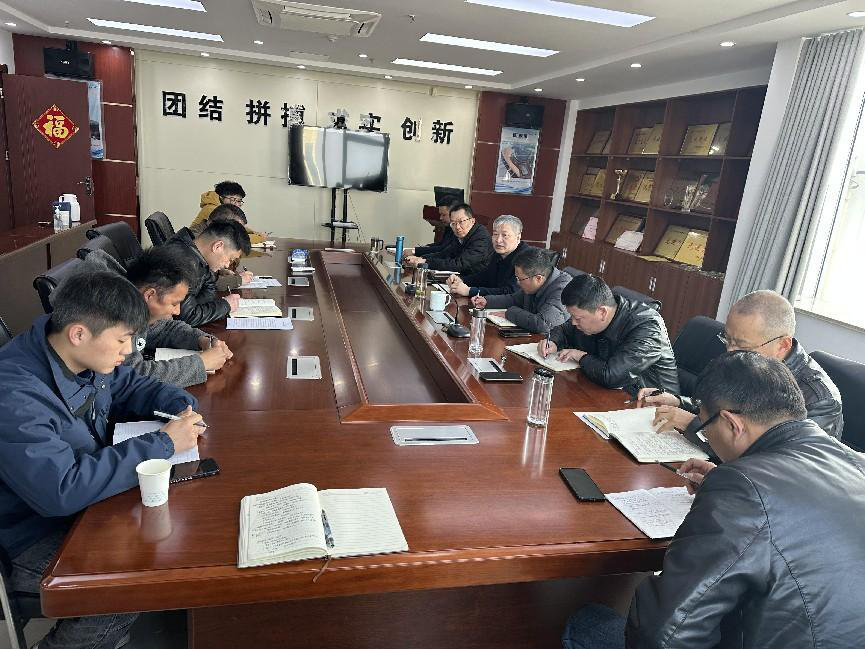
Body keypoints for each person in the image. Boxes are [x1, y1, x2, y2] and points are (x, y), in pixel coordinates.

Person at [562, 351, 865, 648]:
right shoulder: (855, 461)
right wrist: (727, 482)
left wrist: (732, 485)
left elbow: (664, 634)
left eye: (706, 431)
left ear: (733, 424)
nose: (707, 439)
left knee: (588, 622)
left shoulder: (742, 487)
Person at [0, 272, 205, 649]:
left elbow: (130, 385)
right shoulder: (16, 395)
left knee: (171, 532)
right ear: (79, 333)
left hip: (83, 506)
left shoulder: (78, 354)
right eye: (122, 340)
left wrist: (179, 405)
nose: (128, 351)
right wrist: (162, 443)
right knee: (130, 578)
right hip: (27, 535)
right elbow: (60, 490)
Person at [639, 289, 843, 439]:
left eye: (742, 346)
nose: (730, 351)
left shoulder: (819, 401)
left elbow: (781, 463)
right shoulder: (745, 358)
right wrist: (678, 402)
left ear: (782, 345)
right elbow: (724, 409)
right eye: (727, 339)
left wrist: (693, 424)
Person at [64, 246, 233, 387]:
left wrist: (200, 339)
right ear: (149, 295)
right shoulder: (113, 312)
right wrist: (201, 363)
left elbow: (164, 329)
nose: (178, 311)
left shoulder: (133, 298)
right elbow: (133, 375)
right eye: (174, 303)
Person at [541, 274, 679, 395]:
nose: (573, 322)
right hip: (609, 394)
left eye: (577, 318)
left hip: (651, 406)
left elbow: (612, 375)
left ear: (602, 312)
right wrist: (552, 341)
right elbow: (565, 330)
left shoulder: (646, 327)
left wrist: (579, 356)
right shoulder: (595, 314)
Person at [164, 218, 251, 327]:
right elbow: (187, 316)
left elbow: (206, 295)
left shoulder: (195, 253)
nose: (227, 265)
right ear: (218, 246)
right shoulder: (184, 262)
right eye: (230, 259)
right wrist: (226, 305)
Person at [471, 246, 570, 333]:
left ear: (538, 278)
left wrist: (509, 313)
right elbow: (514, 299)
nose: (517, 283)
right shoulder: (533, 283)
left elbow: (542, 324)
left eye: (520, 279)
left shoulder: (563, 290)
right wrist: (487, 301)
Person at [447, 214, 528, 297]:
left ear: (518, 237)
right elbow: (485, 277)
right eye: (495, 234)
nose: (498, 240)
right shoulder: (498, 254)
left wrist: (470, 291)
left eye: (505, 235)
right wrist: (461, 280)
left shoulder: (526, 258)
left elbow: (511, 292)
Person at [403, 204, 493, 274]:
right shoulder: (461, 234)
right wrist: (420, 258)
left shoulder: (481, 238)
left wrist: (425, 262)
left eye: (461, 222)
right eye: (453, 223)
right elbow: (445, 253)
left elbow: (459, 264)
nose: (457, 227)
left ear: (472, 221)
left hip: (478, 284)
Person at [190, 180, 267, 245]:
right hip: (193, 250)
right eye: (232, 199)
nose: (236, 204)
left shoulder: (219, 208)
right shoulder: (213, 210)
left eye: (239, 201)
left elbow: (236, 225)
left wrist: (254, 232)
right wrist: (260, 238)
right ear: (221, 198)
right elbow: (234, 239)